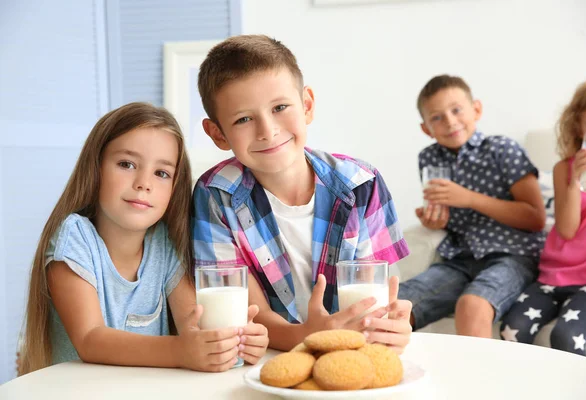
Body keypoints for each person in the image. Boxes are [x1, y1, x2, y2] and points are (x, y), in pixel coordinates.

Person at [192, 35, 412, 353]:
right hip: (268, 355)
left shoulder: (363, 184)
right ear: (218, 134)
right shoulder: (216, 196)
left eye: (280, 107)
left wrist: (396, 322)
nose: (268, 130)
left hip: (354, 351)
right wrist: (310, 336)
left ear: (307, 105)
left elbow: (382, 293)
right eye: (243, 119)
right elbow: (245, 316)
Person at [19, 102, 268, 375]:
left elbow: (192, 323)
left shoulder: (163, 243)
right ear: (96, 168)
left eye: (161, 173)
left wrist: (235, 342)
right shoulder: (74, 237)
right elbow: (91, 339)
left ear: (174, 188)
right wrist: (181, 350)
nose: (143, 183)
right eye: (126, 164)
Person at [397, 75, 547, 338]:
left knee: (472, 305)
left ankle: (479, 379)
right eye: (437, 117)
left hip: (512, 255)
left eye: (456, 110)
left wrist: (468, 198)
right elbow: (448, 216)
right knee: (396, 305)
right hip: (461, 258)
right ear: (426, 129)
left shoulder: (502, 149)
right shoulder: (430, 158)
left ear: (476, 109)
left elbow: (535, 218)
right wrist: (436, 221)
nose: (450, 121)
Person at [500, 76, 586, 356]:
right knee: (512, 329)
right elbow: (567, 230)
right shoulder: (563, 169)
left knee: (567, 338)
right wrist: (574, 180)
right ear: (578, 124)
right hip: (553, 276)